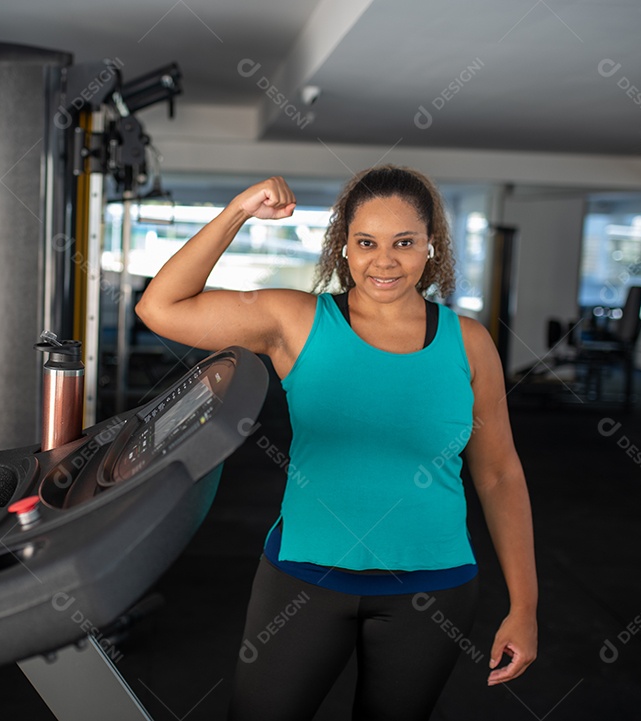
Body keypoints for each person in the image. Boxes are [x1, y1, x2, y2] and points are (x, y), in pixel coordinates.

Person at [135, 166, 537, 721]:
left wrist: (526, 606)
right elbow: (160, 308)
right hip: (304, 577)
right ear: (343, 247)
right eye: (366, 242)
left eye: (404, 243)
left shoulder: (469, 343)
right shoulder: (295, 321)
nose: (385, 260)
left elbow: (498, 474)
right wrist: (236, 213)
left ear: (432, 246)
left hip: (433, 587)